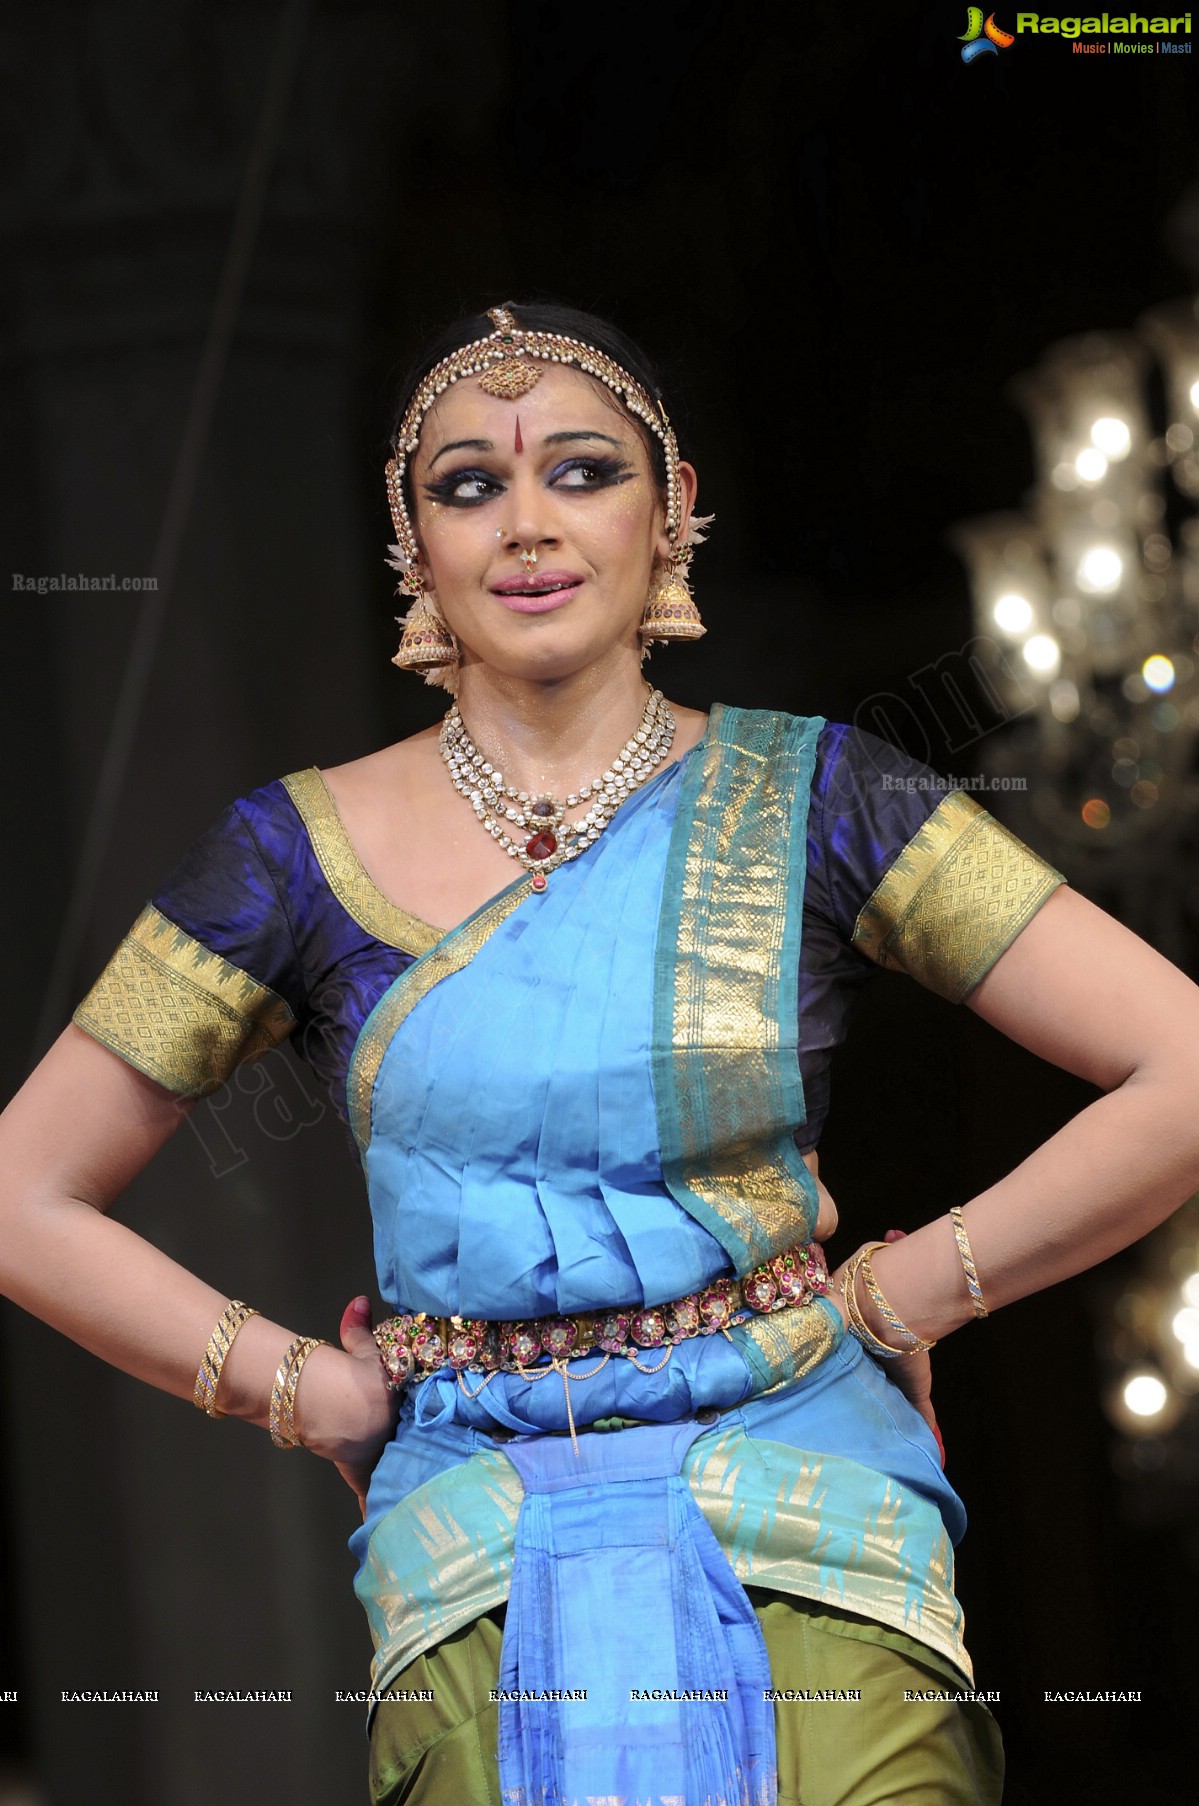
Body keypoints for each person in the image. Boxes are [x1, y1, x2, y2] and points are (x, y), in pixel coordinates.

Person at [4, 300, 1199, 1806]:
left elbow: (1185, 1066)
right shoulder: (290, 856)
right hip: (476, 1564)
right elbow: (19, 1190)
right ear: (411, 535)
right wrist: (300, 1387)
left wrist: (906, 1286)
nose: (526, 524)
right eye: (467, 483)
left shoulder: (821, 796)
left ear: (674, 510)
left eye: (582, 470)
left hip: (815, 1518)